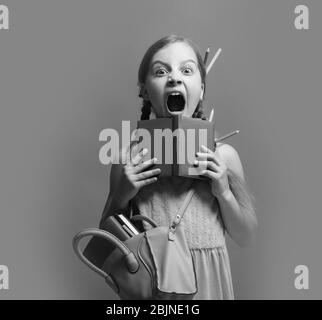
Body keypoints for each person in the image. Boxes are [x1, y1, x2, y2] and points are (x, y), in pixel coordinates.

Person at [100, 35, 257, 299]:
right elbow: (105, 240)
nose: (174, 77)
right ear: (144, 91)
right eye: (161, 71)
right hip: (158, 284)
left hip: (210, 284)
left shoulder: (225, 157)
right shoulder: (127, 158)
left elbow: (246, 236)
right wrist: (121, 196)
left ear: (202, 88)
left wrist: (224, 192)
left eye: (186, 70)